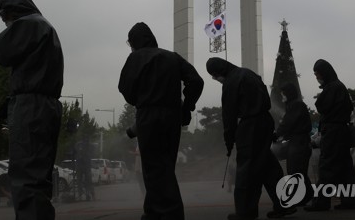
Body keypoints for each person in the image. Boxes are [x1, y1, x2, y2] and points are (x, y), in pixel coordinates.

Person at [0, 0, 64, 220]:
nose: (4, 21)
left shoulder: (29, 24)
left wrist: (18, 104)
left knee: (26, 179)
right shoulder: (44, 26)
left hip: (31, 108)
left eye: (3, 15)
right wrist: (8, 107)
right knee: (37, 178)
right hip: (43, 105)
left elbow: (2, 52)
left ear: (12, 10)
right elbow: (32, 73)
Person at [118, 22, 204, 220]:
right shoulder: (171, 57)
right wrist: (186, 107)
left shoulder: (135, 58)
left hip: (149, 117)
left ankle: (166, 214)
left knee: (153, 169)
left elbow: (126, 90)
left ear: (134, 42)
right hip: (172, 118)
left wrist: (142, 98)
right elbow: (197, 81)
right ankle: (156, 212)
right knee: (165, 166)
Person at [206, 57, 293, 220]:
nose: (215, 79)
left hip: (250, 126)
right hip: (265, 122)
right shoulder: (249, 74)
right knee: (268, 166)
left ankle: (245, 213)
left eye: (214, 75)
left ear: (219, 72)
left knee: (246, 170)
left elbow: (229, 115)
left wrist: (229, 139)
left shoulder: (231, 82)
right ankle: (285, 204)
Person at [304, 59, 355, 211]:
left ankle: (321, 202)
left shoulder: (332, 87)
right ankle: (351, 201)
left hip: (333, 132)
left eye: (318, 74)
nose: (317, 77)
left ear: (325, 73)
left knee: (327, 166)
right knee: (345, 168)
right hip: (340, 131)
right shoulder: (339, 86)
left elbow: (322, 105)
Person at [274, 82, 313, 206]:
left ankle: (301, 197)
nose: (282, 97)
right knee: (297, 170)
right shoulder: (295, 105)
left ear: (289, 94)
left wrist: (275, 135)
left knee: (296, 170)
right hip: (299, 142)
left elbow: (288, 123)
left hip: (299, 142)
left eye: (283, 94)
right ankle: (306, 196)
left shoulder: (296, 106)